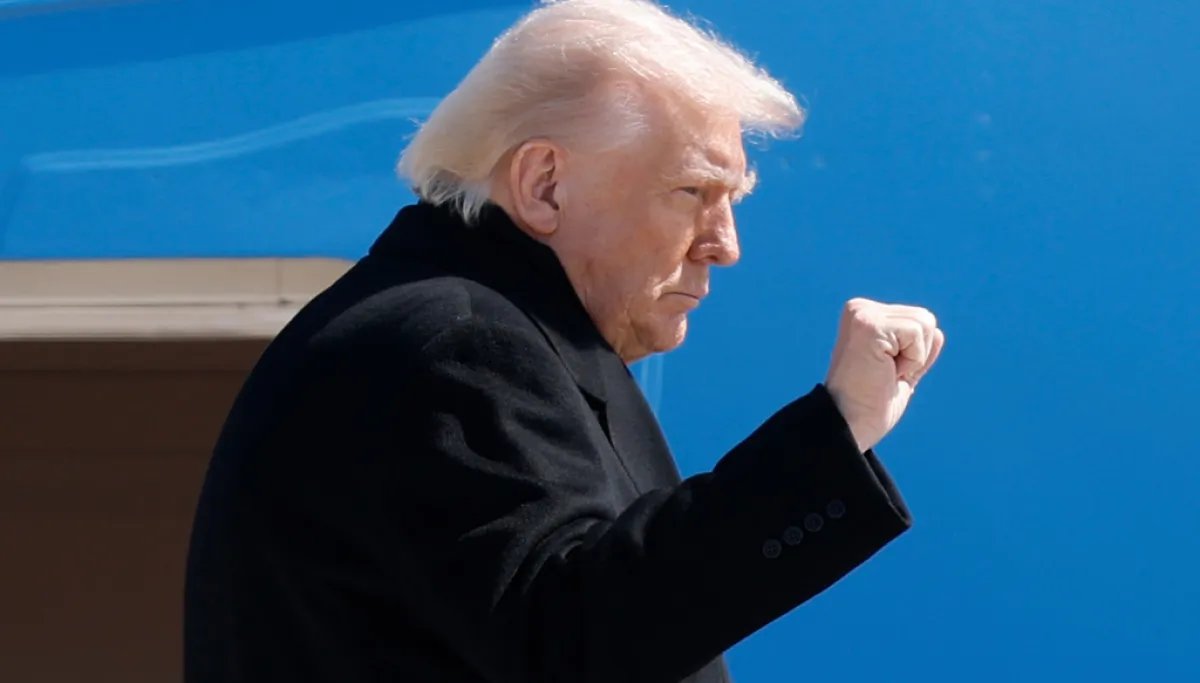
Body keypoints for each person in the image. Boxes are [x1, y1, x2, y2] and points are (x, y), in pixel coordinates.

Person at [183, 1, 946, 681]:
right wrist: (836, 428)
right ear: (544, 183)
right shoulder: (459, 343)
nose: (725, 244)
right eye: (693, 191)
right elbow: (576, 638)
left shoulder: (455, 324)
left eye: (733, 199)